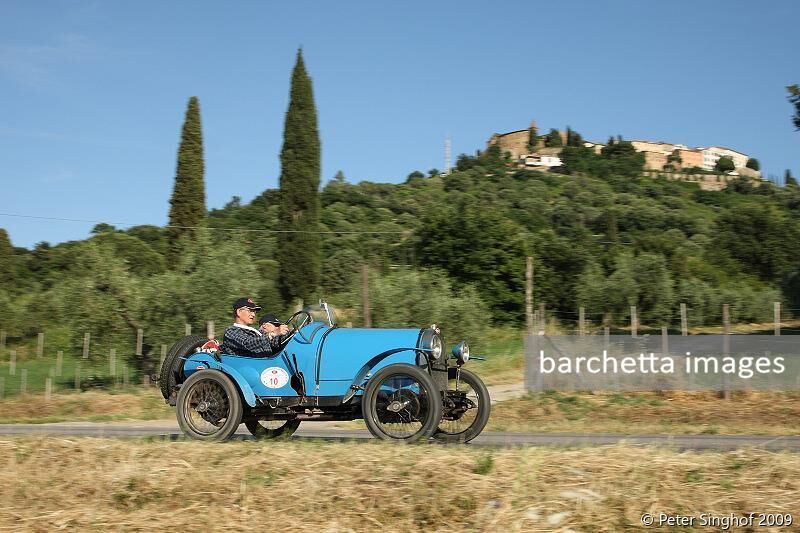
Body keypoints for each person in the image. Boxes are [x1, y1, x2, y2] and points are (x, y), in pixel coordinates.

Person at [220, 297, 289, 357]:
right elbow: (248, 343)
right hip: (248, 368)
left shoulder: (256, 332)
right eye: (250, 310)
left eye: (254, 312)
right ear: (239, 312)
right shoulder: (231, 332)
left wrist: (293, 333)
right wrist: (274, 333)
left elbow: (274, 342)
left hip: (266, 365)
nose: (253, 314)